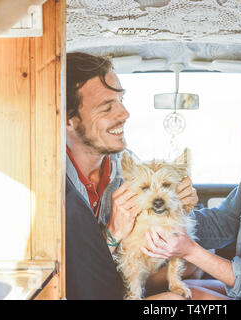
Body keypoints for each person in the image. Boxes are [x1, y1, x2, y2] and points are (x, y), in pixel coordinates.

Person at [142, 64, 241, 300]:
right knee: (180, 285)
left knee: (171, 300)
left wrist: (189, 250)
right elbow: (221, 224)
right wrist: (174, 212)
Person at [64, 52, 198, 299]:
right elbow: (71, 282)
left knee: (196, 279)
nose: (124, 114)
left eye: (121, 100)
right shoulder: (52, 182)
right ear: (68, 120)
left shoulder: (128, 167)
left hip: (124, 281)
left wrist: (182, 206)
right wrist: (113, 233)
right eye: (107, 107)